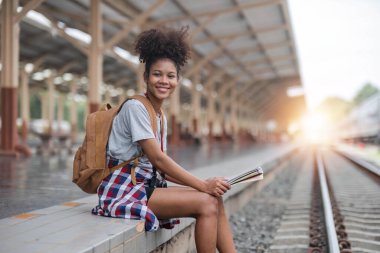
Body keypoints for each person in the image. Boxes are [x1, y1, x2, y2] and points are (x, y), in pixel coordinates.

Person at [92, 26, 236, 253]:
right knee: (206, 202)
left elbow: (161, 170)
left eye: (170, 76)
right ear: (146, 77)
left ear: (178, 80)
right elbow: (158, 160)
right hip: (124, 191)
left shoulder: (159, 115)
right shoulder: (135, 107)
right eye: (157, 74)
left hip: (145, 187)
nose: (164, 81)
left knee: (214, 198)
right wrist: (201, 185)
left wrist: (207, 186)